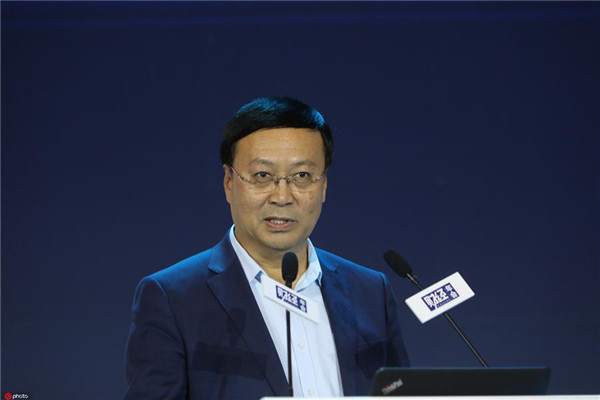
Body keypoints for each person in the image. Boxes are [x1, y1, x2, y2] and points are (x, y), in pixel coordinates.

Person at [124, 97, 409, 400]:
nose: (282, 197)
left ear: (324, 185)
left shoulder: (370, 292)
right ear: (228, 182)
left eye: (302, 176)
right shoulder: (172, 299)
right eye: (262, 176)